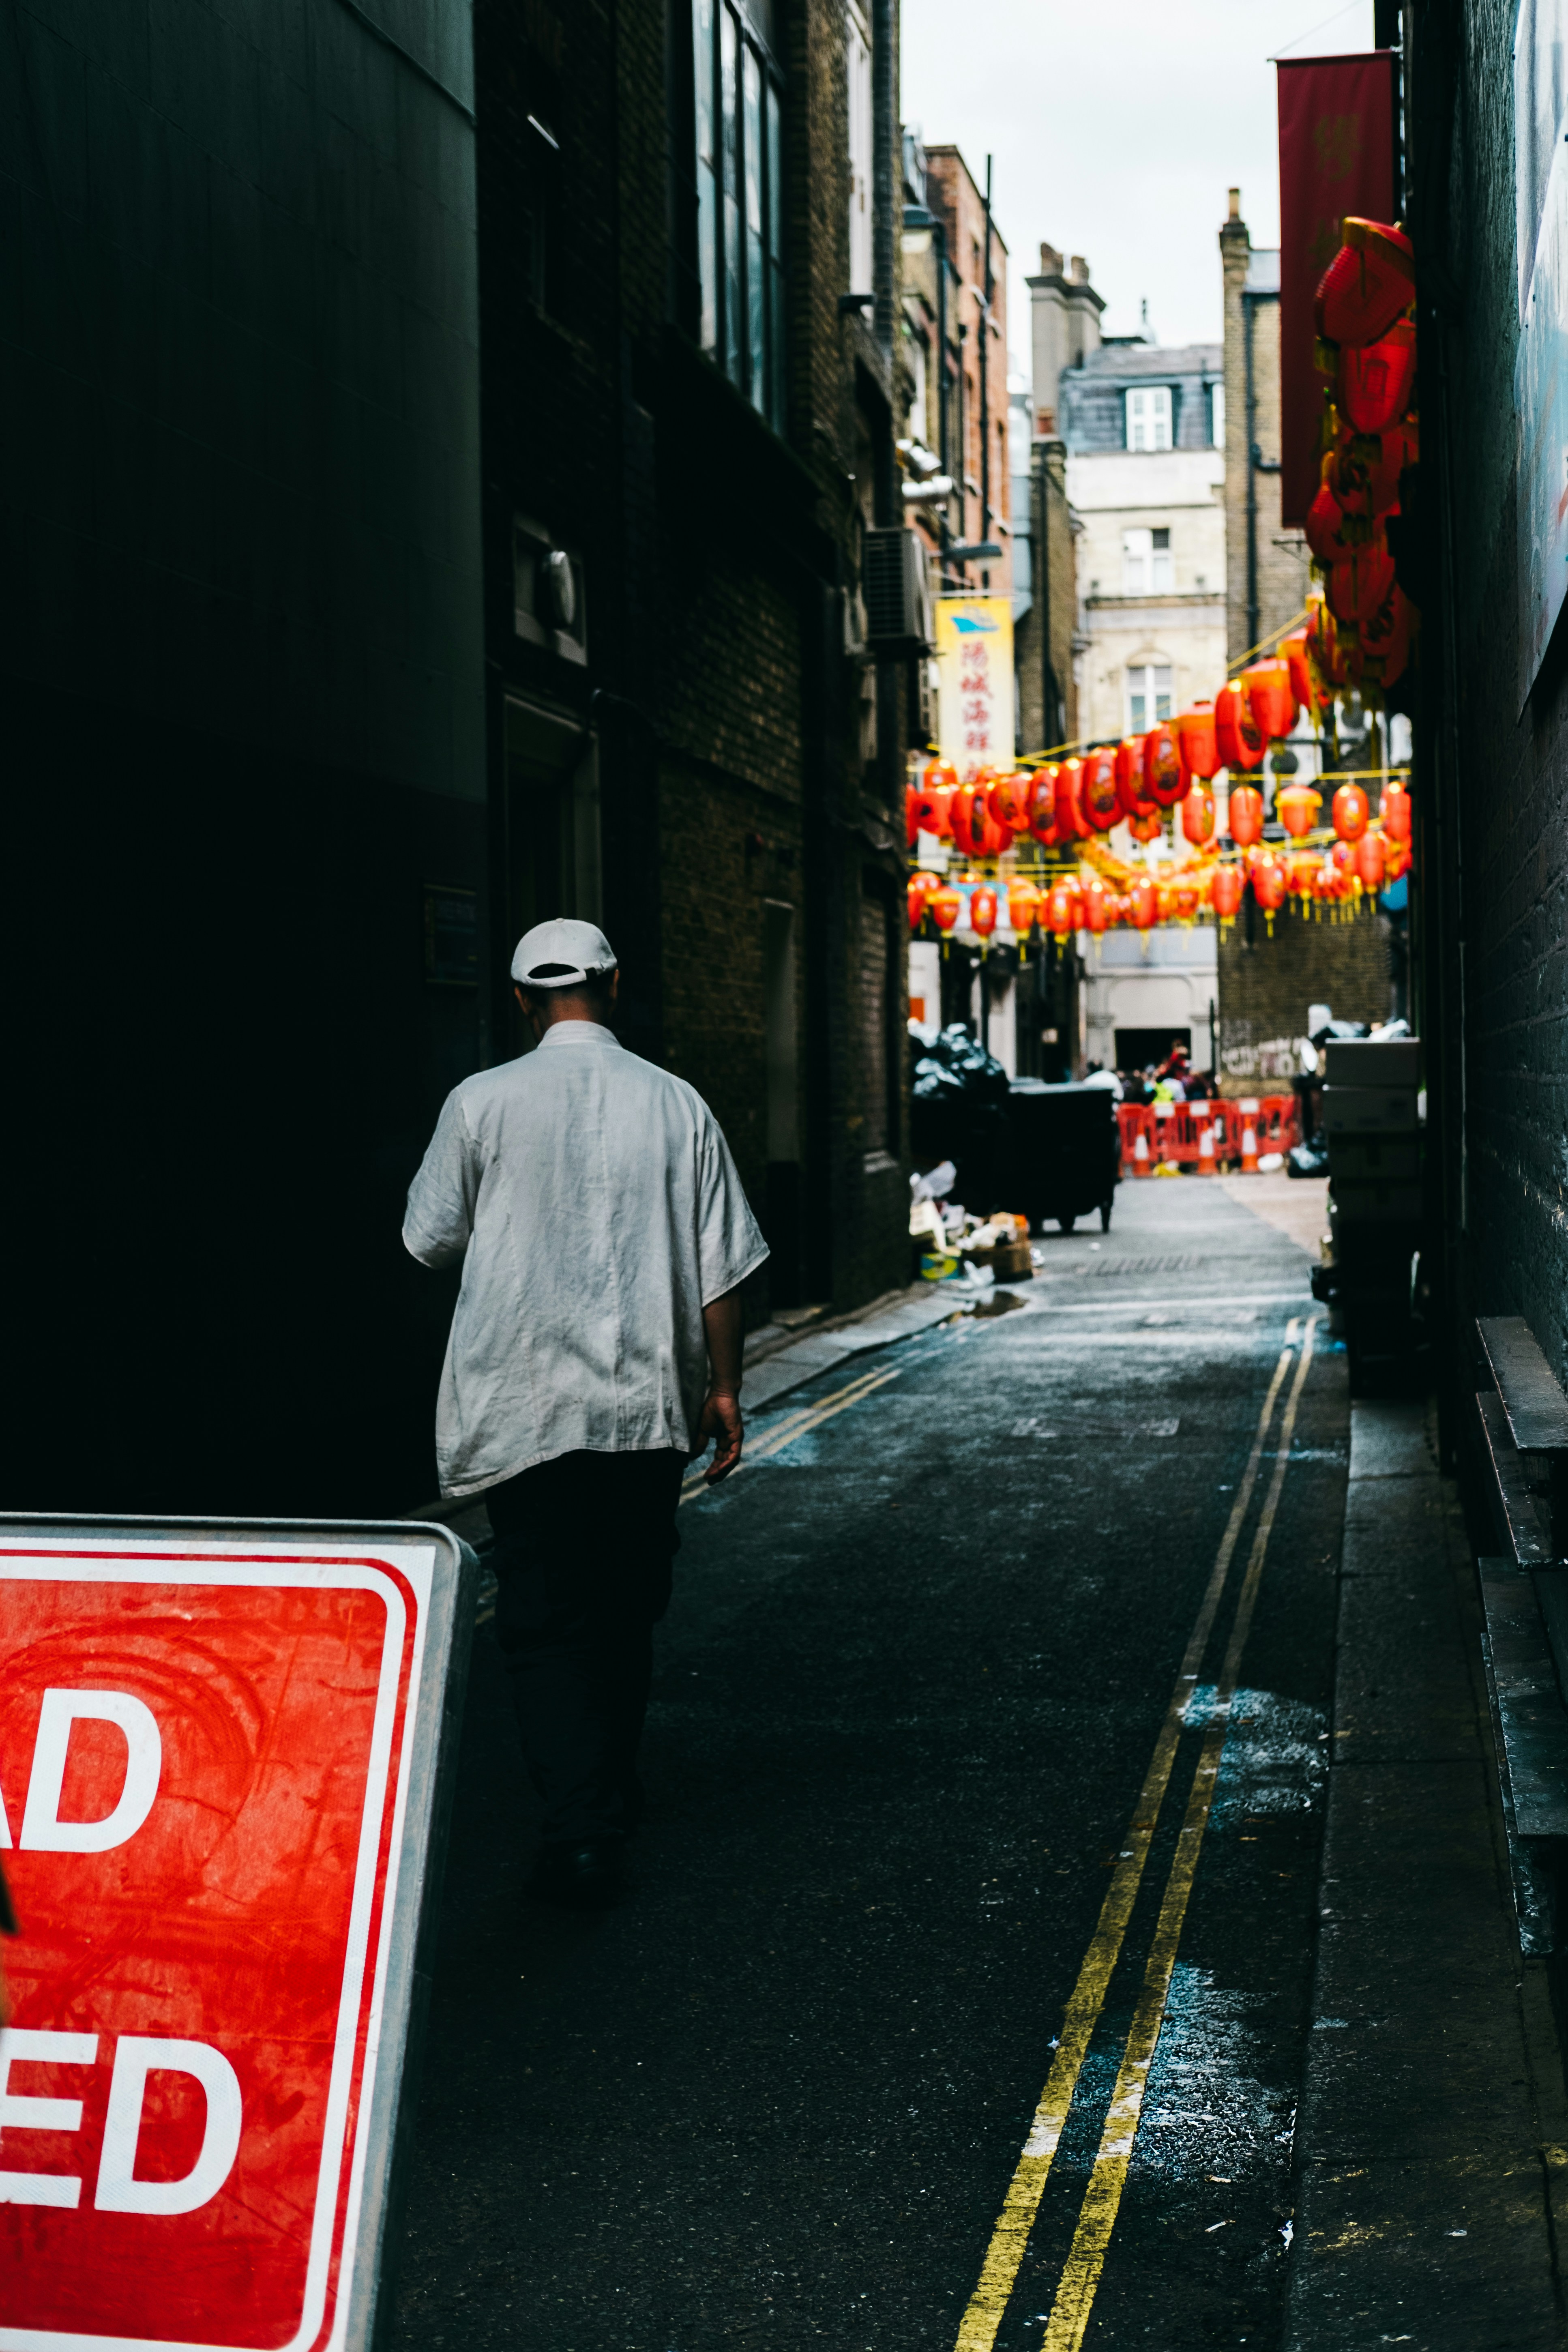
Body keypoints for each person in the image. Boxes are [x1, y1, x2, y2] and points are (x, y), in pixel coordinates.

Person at [403, 918, 769, 1905]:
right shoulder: (675, 1102)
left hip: (523, 1408)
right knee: (624, 1603)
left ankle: (580, 1825)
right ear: (613, 985)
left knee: (541, 1616)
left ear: (519, 1000)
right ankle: (603, 1792)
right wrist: (723, 1386)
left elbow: (427, 1239)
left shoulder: (480, 1101)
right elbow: (721, 1267)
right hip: (643, 1406)